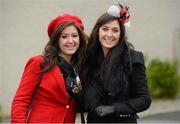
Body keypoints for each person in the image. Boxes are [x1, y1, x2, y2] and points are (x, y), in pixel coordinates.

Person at [81, 3, 151, 123]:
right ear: (98, 31)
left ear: (121, 34)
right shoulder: (87, 58)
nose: (109, 35)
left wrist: (115, 108)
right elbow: (83, 100)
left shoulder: (133, 58)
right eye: (105, 29)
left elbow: (144, 99)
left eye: (115, 30)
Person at [11, 13, 88, 123]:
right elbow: (20, 101)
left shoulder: (78, 69)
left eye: (75, 36)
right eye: (64, 36)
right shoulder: (39, 63)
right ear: (56, 39)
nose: (70, 41)